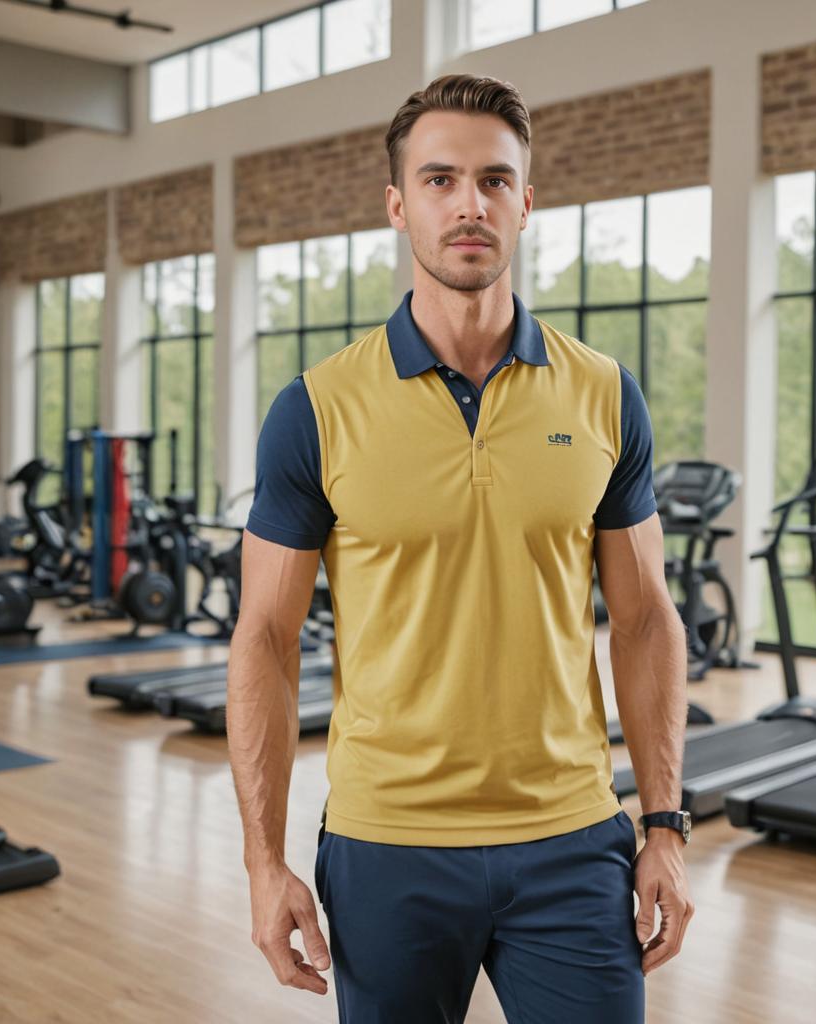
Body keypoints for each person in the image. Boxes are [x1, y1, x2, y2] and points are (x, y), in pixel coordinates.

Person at [227, 73, 693, 1023]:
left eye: (493, 179)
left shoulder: (605, 394)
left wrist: (667, 826)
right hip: (385, 843)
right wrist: (264, 862)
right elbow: (265, 641)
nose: (469, 203)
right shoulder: (315, 408)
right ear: (399, 206)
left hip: (572, 837)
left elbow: (644, 618)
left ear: (528, 200)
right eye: (439, 180)